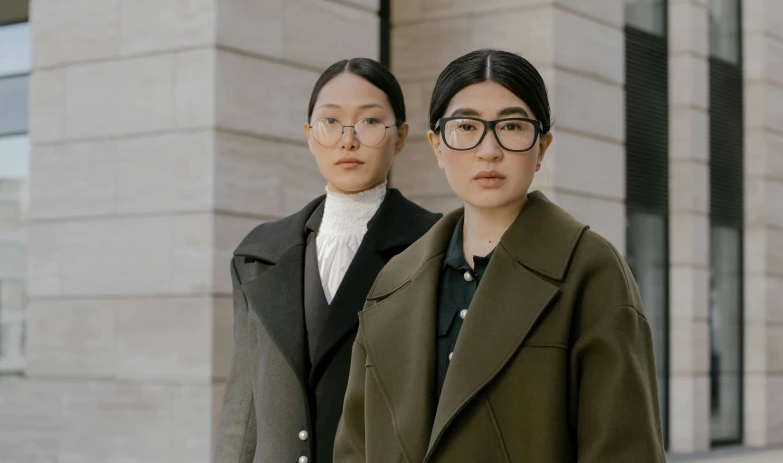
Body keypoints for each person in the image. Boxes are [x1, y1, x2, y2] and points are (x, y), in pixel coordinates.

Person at [334, 49, 666, 462]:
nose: (488, 150)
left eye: (511, 126)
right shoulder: (394, 280)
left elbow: (625, 451)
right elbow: (355, 446)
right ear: (437, 145)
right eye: (466, 126)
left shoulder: (590, 270)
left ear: (542, 147)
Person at [214, 58, 441, 463]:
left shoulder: (436, 247)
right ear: (309, 135)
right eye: (330, 121)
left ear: (401, 136)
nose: (347, 140)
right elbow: (243, 410)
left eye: (370, 122)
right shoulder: (259, 254)